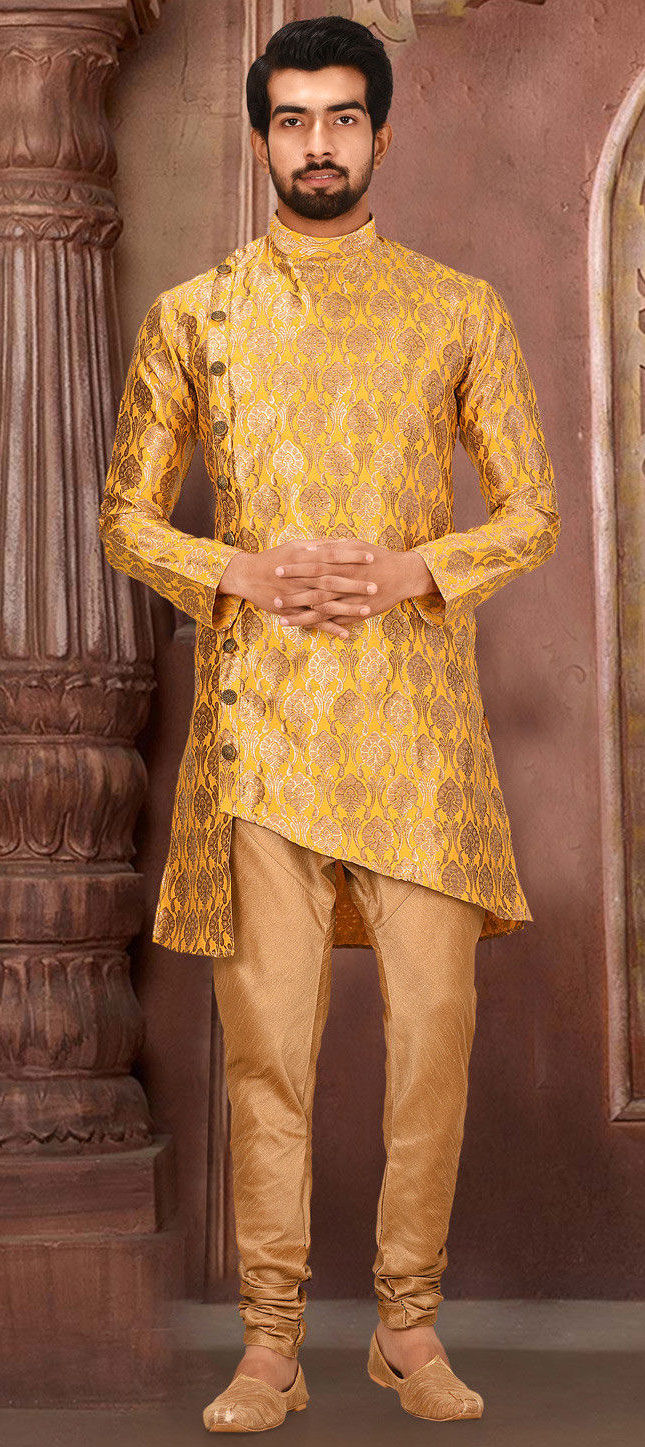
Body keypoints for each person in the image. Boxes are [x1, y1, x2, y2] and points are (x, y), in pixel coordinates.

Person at [98, 13, 560, 1433]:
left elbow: (534, 510)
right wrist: (233, 571)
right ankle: (272, 1344)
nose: (317, 142)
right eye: (292, 119)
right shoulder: (197, 317)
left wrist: (419, 567)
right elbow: (124, 517)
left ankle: (407, 1329)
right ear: (260, 139)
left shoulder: (458, 309)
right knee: (267, 1058)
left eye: (342, 117)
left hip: (420, 743)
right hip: (263, 744)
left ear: (381, 132)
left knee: (432, 1040)